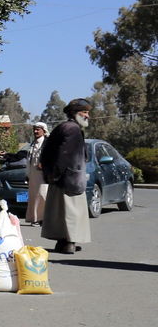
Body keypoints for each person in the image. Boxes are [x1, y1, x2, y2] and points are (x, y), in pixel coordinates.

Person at [39, 99, 92, 254]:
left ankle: (61, 243)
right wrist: (57, 174)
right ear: (75, 113)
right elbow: (65, 155)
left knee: (61, 213)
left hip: (61, 178)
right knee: (71, 213)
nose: (87, 116)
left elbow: (47, 152)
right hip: (69, 179)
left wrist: (51, 174)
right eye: (84, 112)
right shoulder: (72, 129)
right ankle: (69, 243)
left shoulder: (64, 127)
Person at [24, 121, 49, 225]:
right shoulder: (32, 144)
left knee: (43, 196)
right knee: (34, 197)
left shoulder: (47, 143)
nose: (35, 131)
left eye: (38, 129)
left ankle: (43, 219)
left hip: (43, 175)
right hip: (33, 175)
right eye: (34, 129)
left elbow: (52, 156)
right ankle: (34, 219)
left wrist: (44, 163)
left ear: (44, 131)